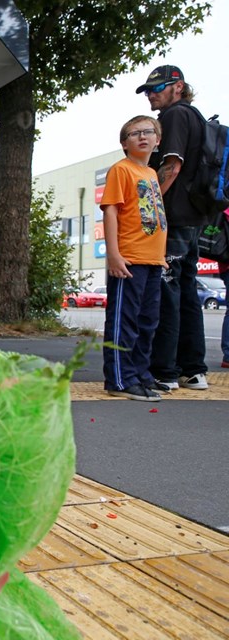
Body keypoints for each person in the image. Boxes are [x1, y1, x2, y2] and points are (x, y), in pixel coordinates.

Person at [137, 65, 209, 391]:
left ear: (177, 87)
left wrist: (149, 210)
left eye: (158, 87)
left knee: (167, 291)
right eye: (149, 89)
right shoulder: (196, 116)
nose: (151, 94)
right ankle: (193, 370)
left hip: (175, 217)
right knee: (187, 292)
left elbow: (172, 165)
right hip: (195, 216)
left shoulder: (175, 116)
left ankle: (164, 371)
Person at [101, 116, 169, 401]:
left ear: (158, 139)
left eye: (148, 132)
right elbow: (111, 211)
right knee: (124, 321)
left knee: (147, 322)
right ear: (123, 143)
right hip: (129, 259)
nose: (142, 137)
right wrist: (114, 255)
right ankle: (120, 378)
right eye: (134, 133)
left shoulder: (152, 174)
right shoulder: (121, 170)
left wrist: (161, 257)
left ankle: (140, 373)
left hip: (153, 260)